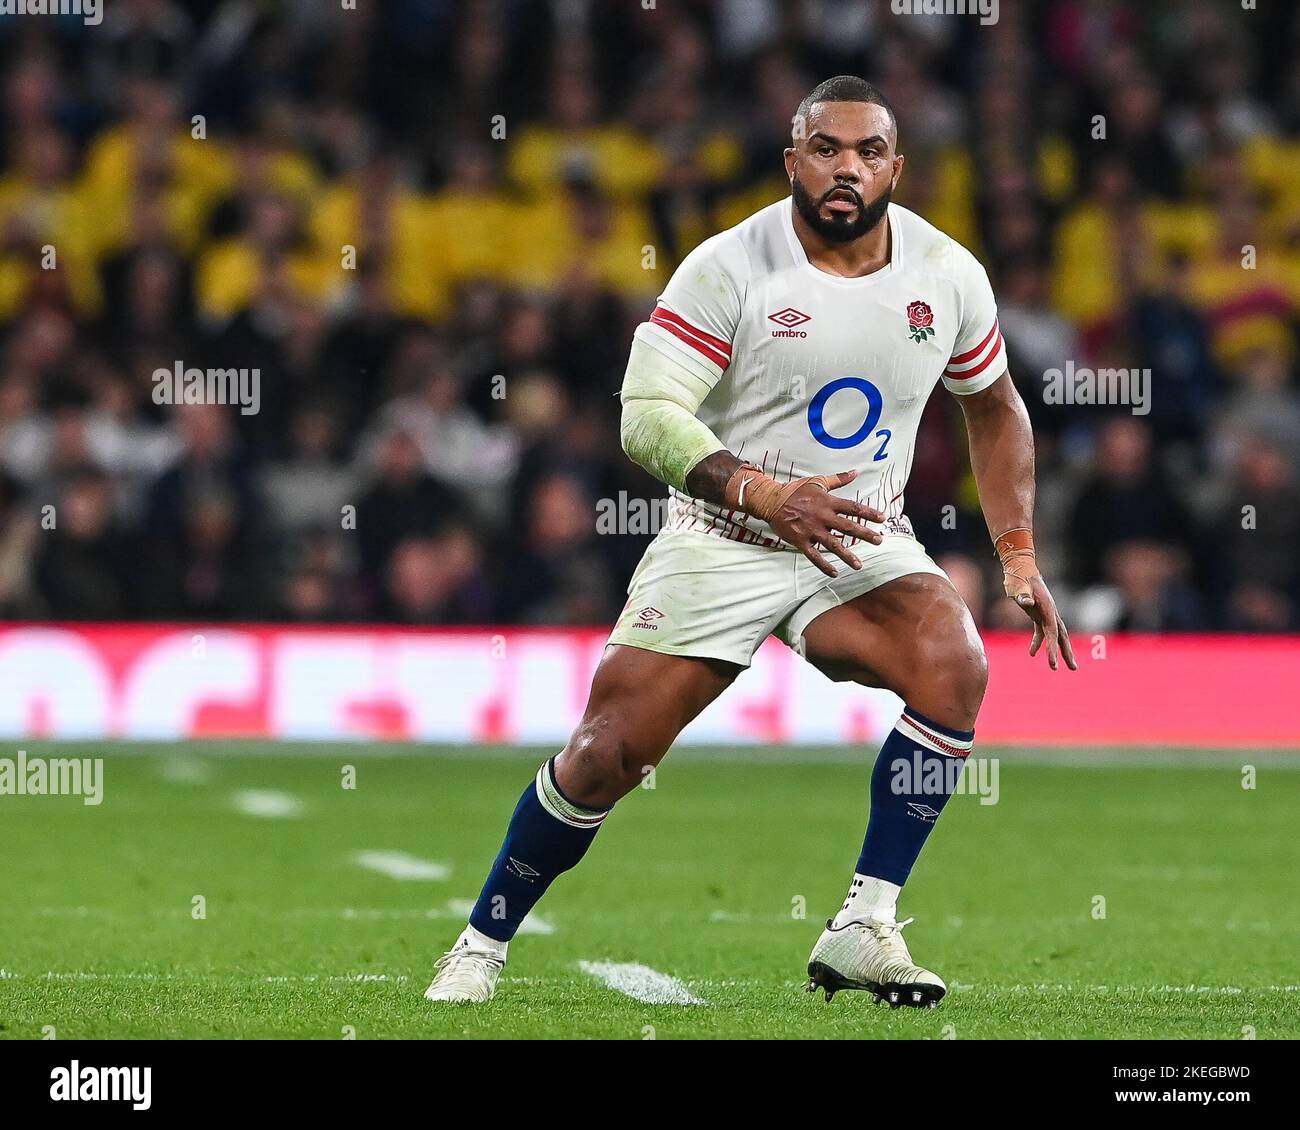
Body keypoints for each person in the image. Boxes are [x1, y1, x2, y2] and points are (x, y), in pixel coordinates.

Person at [425, 76, 1075, 1009]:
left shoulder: (948, 274)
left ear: (896, 165)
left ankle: (864, 922)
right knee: (608, 755)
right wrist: (763, 492)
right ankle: (482, 941)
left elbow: (997, 407)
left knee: (954, 659)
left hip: (858, 536)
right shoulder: (728, 266)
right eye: (825, 149)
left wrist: (1016, 552)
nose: (845, 168)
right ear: (793, 161)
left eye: (866, 151)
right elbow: (645, 415)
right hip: (726, 530)